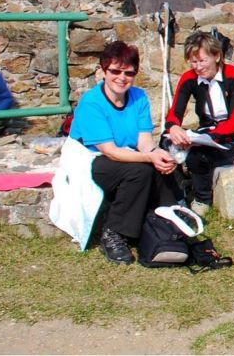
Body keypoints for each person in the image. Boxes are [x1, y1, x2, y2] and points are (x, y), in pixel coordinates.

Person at [68, 41, 180, 265]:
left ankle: (169, 223)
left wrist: (157, 154)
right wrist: (149, 157)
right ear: (103, 71)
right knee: (139, 172)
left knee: (163, 167)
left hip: (122, 155)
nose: (122, 78)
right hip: (90, 159)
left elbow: (144, 141)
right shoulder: (91, 103)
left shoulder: (139, 97)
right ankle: (113, 232)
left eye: (129, 73)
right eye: (115, 71)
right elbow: (109, 151)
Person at [163, 31, 234, 216]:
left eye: (203, 61)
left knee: (199, 155)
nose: (198, 67)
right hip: (205, 131)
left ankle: (202, 199)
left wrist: (205, 138)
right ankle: (176, 194)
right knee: (166, 144)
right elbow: (174, 113)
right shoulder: (189, 78)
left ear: (216, 56)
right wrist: (174, 128)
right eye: (193, 62)